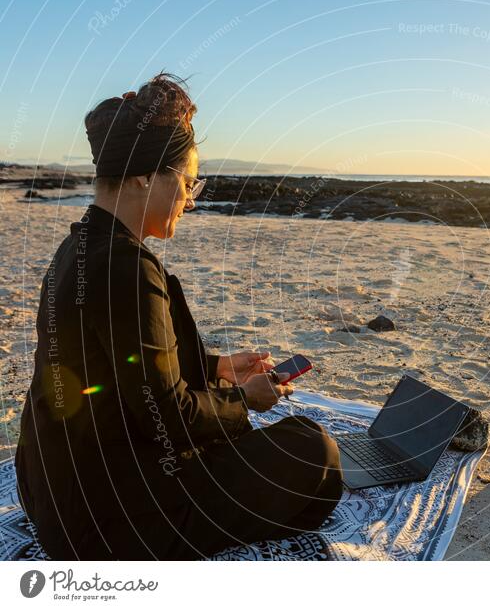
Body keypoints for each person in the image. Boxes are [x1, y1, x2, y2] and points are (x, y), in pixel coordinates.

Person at [14, 73, 343, 560]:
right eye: (188, 183)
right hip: (110, 524)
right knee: (313, 450)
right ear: (147, 174)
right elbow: (164, 416)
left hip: (49, 493)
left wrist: (213, 369)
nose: (191, 199)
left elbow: (116, 366)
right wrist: (244, 400)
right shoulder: (126, 267)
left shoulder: (77, 246)